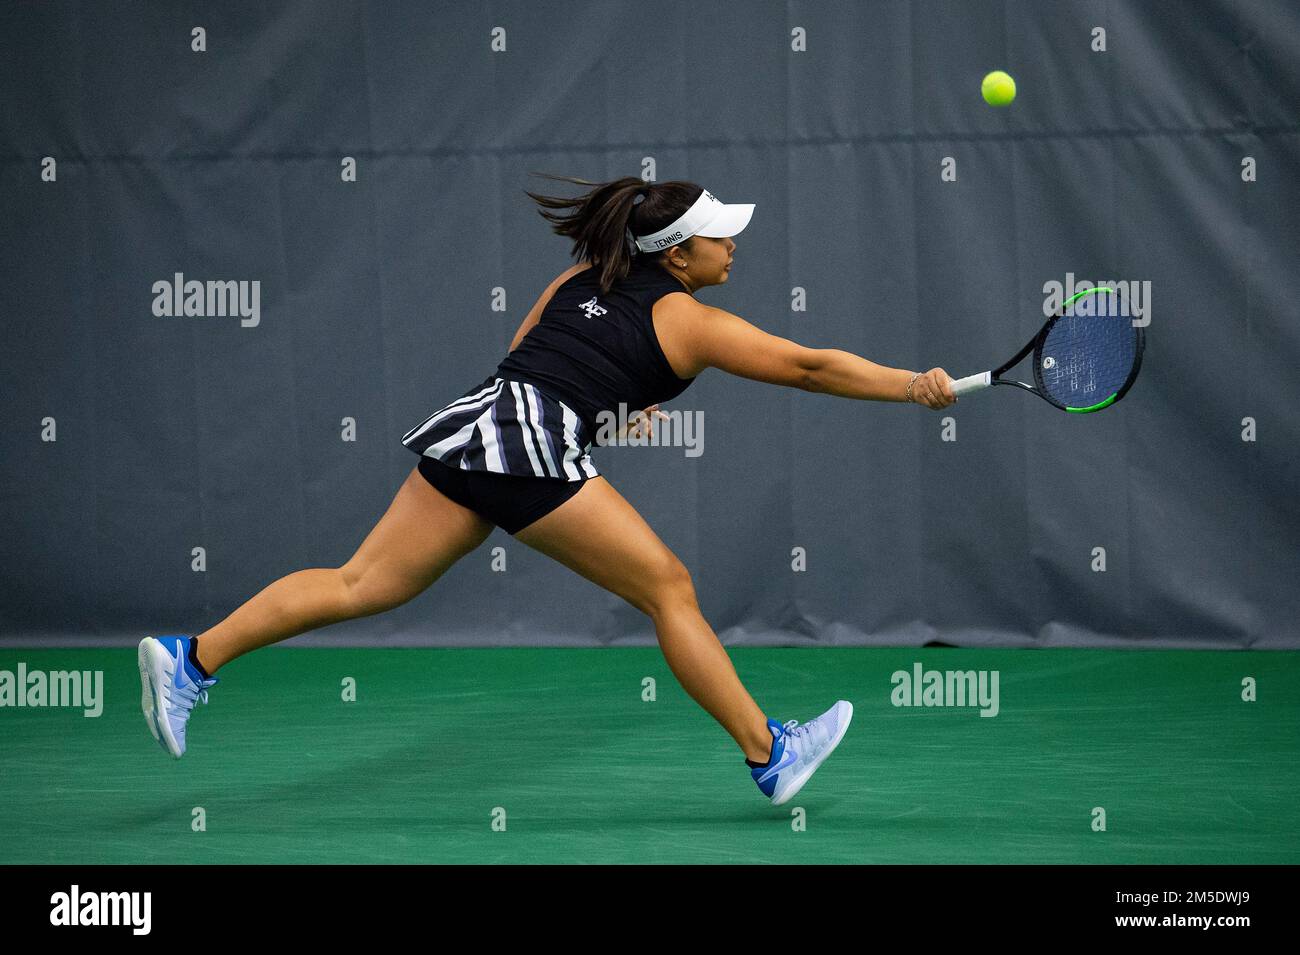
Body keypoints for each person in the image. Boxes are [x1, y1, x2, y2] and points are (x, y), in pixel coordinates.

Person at [138, 174, 957, 806]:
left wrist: (600, 403)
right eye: (719, 236)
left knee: (361, 581)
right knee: (669, 586)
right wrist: (909, 385)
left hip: (478, 426)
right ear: (677, 255)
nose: (733, 246)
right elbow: (809, 367)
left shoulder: (576, 279)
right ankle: (767, 753)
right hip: (527, 449)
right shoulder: (693, 323)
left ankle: (192, 658)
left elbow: (527, 357)